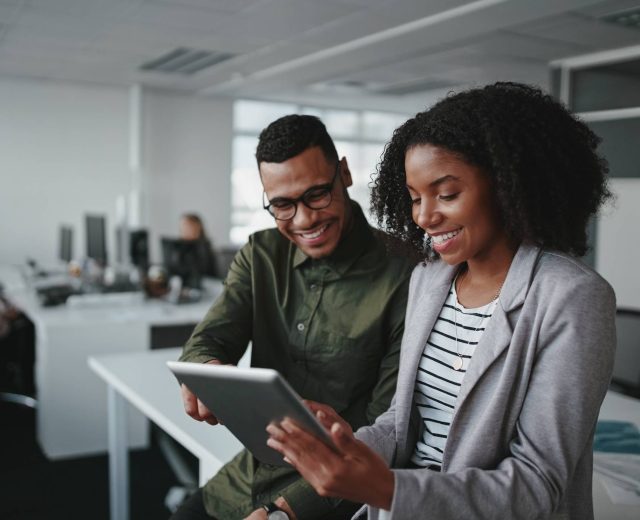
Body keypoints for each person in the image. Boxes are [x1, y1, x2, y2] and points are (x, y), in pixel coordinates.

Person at [266, 82, 616, 520]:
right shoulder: (429, 279)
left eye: (446, 194)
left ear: (507, 184)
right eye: (414, 198)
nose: (424, 217)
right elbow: (401, 423)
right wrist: (344, 445)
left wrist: (389, 487)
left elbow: (536, 485)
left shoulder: (572, 297)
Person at [171, 115, 414, 520]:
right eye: (282, 205)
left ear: (345, 173)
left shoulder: (406, 275)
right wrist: (202, 370)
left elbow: (386, 426)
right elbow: (206, 341)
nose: (304, 220)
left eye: (317, 194)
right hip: (249, 476)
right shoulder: (260, 254)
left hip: (336, 494)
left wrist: (286, 512)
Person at [180, 213, 219, 278]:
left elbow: (201, 272)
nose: (183, 230)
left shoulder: (204, 247)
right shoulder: (178, 247)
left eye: (187, 226)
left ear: (198, 228)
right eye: (182, 227)